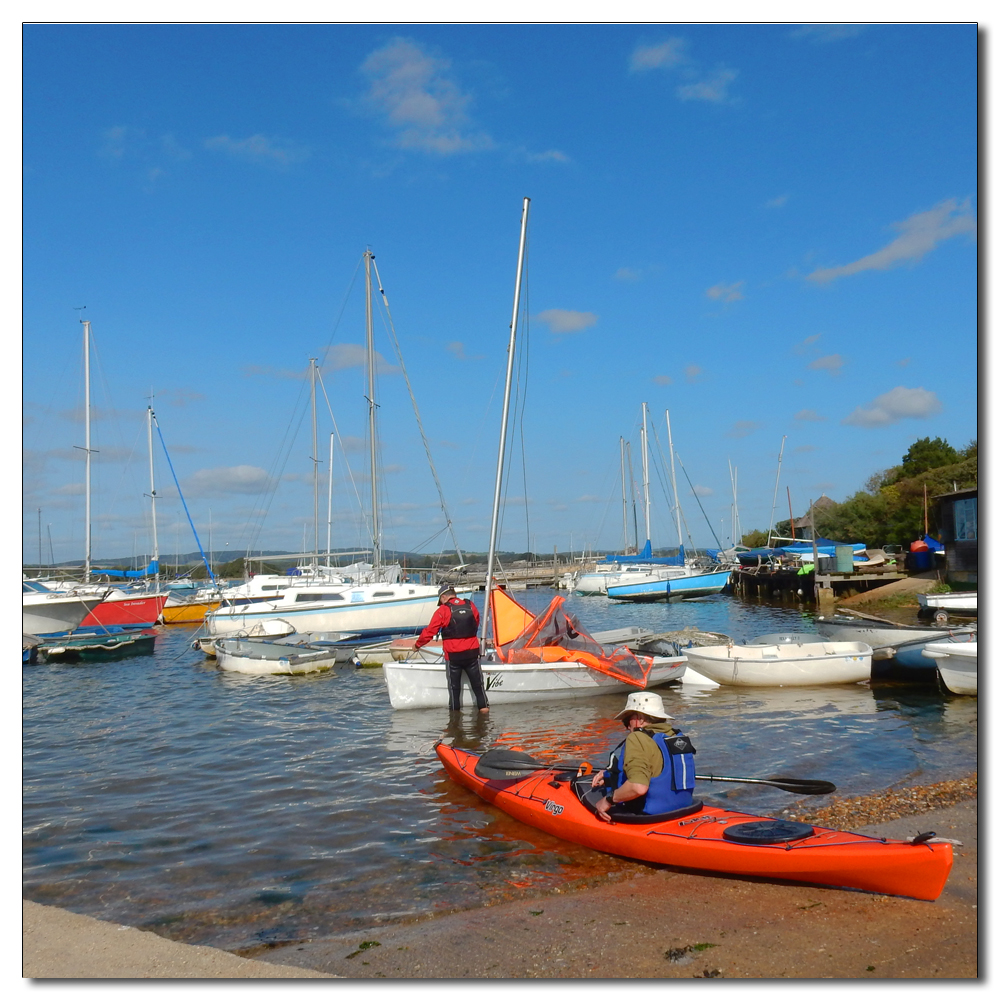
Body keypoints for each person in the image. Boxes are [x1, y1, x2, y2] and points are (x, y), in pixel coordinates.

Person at [590, 691, 695, 822]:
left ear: (640, 718)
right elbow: (659, 769)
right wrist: (609, 776)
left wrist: (608, 800)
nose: (628, 726)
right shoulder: (676, 737)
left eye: (628, 720)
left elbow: (638, 787)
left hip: (652, 817)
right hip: (685, 808)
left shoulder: (637, 738)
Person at [413, 585, 489, 713]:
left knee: (454, 689)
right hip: (472, 653)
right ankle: (484, 715)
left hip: (453, 656)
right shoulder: (470, 605)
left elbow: (429, 632)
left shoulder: (443, 610)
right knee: (478, 686)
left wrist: (417, 645)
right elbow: (476, 622)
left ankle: (455, 721)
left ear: (443, 597)